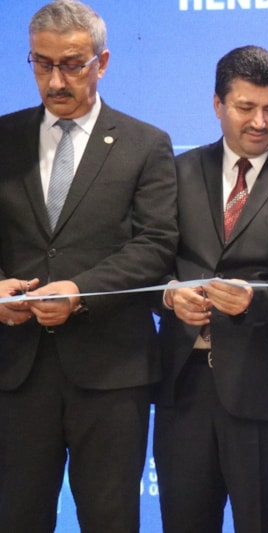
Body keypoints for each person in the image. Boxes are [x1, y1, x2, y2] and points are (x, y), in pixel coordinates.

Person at [0, 0, 178, 530]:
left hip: (111, 373)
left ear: (102, 62)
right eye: (42, 63)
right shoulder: (3, 139)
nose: (56, 80)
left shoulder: (145, 144)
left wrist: (79, 291)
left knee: (110, 518)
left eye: (72, 65)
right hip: (16, 371)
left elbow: (155, 245)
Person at [153, 45, 268, 533]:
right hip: (182, 385)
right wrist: (168, 293)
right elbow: (149, 261)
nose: (260, 122)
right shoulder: (177, 171)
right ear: (218, 104)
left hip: (262, 390)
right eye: (246, 107)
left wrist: (256, 298)